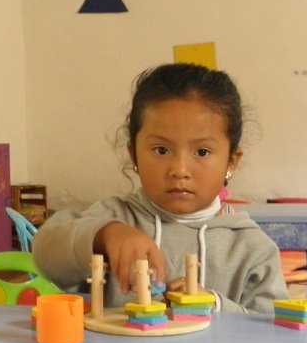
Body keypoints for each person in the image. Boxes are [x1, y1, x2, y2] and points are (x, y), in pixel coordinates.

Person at [32, 62, 286, 314]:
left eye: (202, 152)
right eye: (161, 150)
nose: (179, 169)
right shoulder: (114, 219)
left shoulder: (251, 248)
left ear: (231, 161)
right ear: (134, 155)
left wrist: (216, 305)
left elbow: (275, 329)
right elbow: (44, 254)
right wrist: (105, 236)